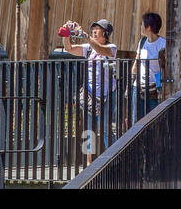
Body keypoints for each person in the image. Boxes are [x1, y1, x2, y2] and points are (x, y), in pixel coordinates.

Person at [61, 17, 119, 165]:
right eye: (92, 29)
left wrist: (85, 35)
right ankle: (89, 163)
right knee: (88, 130)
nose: (93, 31)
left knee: (106, 129)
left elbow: (101, 49)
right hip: (90, 94)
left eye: (97, 29)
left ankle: (113, 160)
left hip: (107, 95)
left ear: (105, 33)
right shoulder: (88, 48)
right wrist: (67, 33)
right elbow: (69, 49)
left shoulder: (111, 47)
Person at [133, 11, 166, 120]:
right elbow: (136, 62)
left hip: (154, 88)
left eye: (142, 24)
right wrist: (133, 75)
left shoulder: (163, 44)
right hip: (139, 86)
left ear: (149, 27)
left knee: (153, 119)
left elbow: (165, 67)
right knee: (137, 120)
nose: (140, 27)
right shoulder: (142, 42)